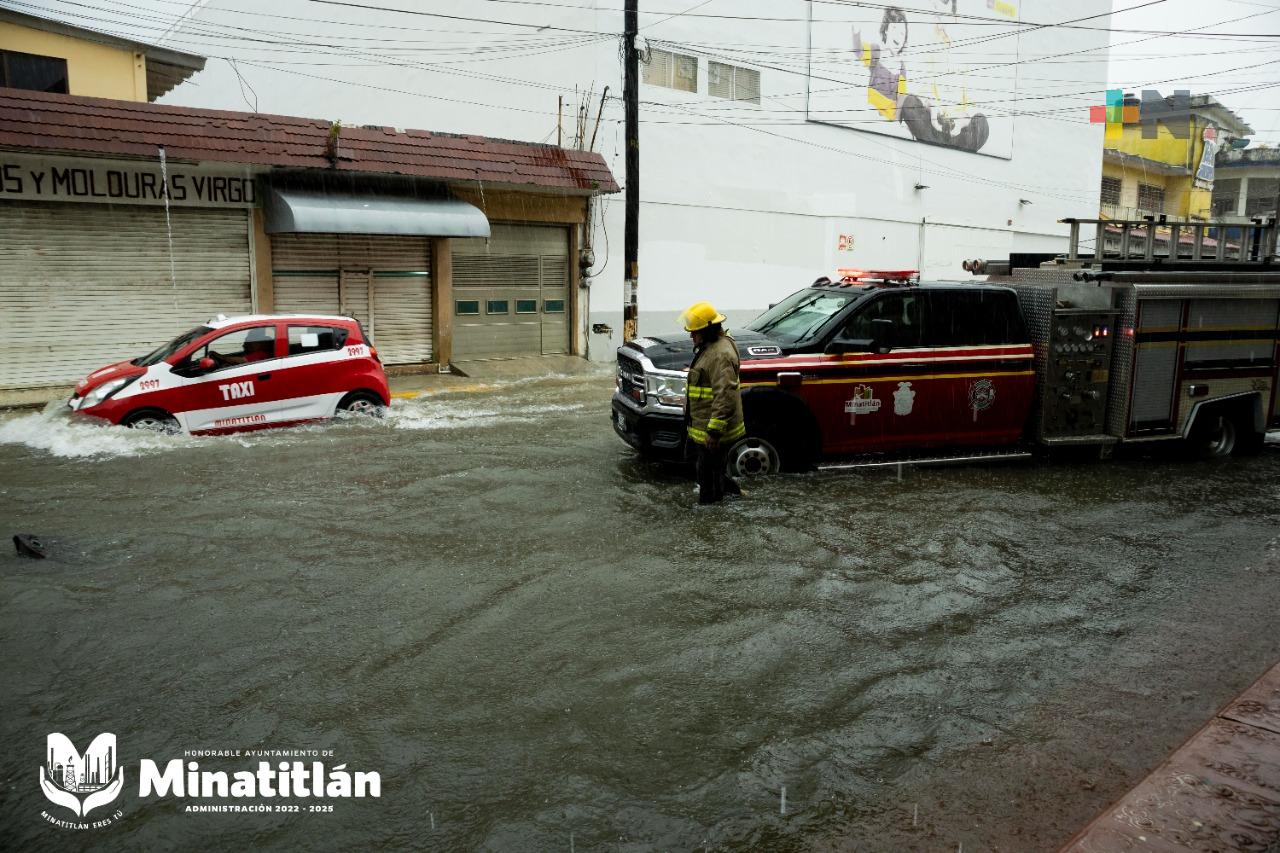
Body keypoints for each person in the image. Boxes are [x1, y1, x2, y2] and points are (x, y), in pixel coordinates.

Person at [681, 302, 745, 505]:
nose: (691, 336)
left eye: (694, 332)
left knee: (708, 477)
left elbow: (725, 395)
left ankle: (711, 512)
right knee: (709, 469)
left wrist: (714, 432)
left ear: (707, 331)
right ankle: (732, 494)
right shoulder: (712, 347)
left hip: (712, 432)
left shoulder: (720, 355)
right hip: (702, 426)